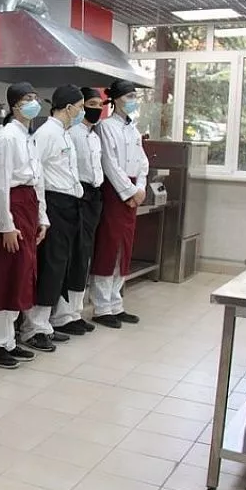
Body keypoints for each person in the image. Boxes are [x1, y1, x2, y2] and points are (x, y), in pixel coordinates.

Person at [0, 82, 47, 369]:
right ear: (14, 104)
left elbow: (38, 180)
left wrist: (43, 217)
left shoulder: (28, 137)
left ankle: (7, 339)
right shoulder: (6, 137)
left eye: (35, 97)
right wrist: (5, 224)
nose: (33, 103)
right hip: (11, 208)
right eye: (27, 98)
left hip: (28, 206)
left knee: (21, 274)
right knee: (4, 274)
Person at [24, 85, 85, 350]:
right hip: (53, 203)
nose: (82, 112)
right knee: (50, 265)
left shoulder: (65, 134)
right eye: (80, 107)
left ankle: (45, 324)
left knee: (60, 266)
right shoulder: (47, 133)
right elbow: (36, 174)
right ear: (68, 107)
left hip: (69, 204)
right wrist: (42, 214)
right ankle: (33, 328)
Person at [90, 80, 148, 328]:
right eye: (129, 96)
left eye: (135, 96)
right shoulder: (105, 127)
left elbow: (143, 163)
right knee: (109, 247)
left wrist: (141, 188)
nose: (133, 100)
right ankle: (102, 307)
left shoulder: (134, 130)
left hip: (132, 193)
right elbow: (109, 164)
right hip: (114, 193)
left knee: (124, 249)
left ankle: (116, 303)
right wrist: (129, 191)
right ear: (115, 99)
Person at [51, 87, 104, 335]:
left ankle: (75, 311)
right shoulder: (71, 133)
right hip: (76, 196)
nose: (95, 109)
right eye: (89, 104)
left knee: (84, 256)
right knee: (73, 256)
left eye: (99, 105)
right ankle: (62, 315)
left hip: (93, 196)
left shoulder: (94, 136)